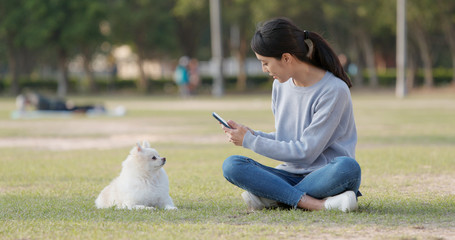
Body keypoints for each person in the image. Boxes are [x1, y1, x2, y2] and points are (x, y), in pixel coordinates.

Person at [220, 17, 361, 212]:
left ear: (286, 58)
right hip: (288, 174)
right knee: (232, 165)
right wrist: (252, 135)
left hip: (325, 175)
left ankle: (273, 196)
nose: (264, 69)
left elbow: (305, 152)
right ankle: (317, 204)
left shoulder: (334, 90)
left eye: (265, 63)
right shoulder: (280, 85)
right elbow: (287, 139)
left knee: (348, 168)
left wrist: (250, 142)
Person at [16, 91, 105, 113]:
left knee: (77, 108)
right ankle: (95, 107)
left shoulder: (35, 99)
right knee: (77, 108)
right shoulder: (34, 97)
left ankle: (96, 107)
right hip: (58, 105)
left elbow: (41, 107)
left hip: (59, 106)